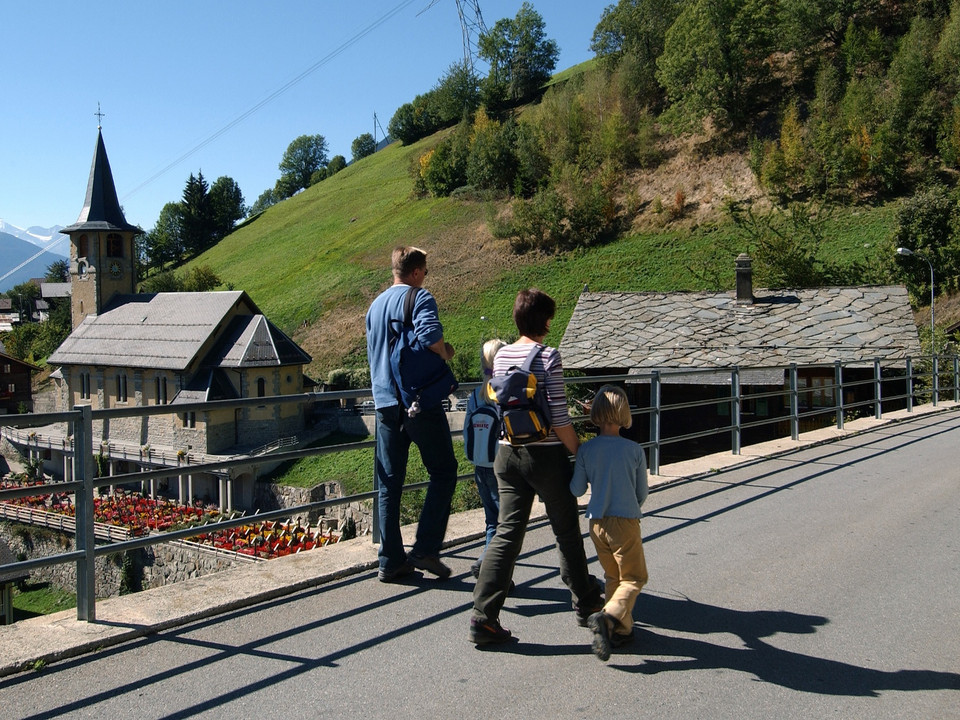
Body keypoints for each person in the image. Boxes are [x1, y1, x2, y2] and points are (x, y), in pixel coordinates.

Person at [468, 288, 603, 645]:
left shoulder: (502, 356)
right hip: (545, 457)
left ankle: (483, 617)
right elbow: (559, 418)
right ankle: (586, 603)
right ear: (545, 321)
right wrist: (580, 452)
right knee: (565, 530)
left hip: (506, 454)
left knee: (507, 532)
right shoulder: (548, 356)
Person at [365, 246, 458, 582]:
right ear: (417, 272)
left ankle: (391, 560)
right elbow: (430, 335)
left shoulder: (375, 306)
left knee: (389, 483)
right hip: (417, 401)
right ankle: (425, 549)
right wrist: (445, 352)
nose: (425, 278)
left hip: (384, 404)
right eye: (425, 272)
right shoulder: (419, 297)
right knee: (444, 471)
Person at [570, 384, 649, 661]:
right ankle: (608, 616)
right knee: (635, 577)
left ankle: (621, 630)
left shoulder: (587, 450)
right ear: (624, 413)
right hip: (624, 521)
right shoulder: (634, 450)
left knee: (613, 576)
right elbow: (641, 494)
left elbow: (577, 489)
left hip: (596, 524)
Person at [464, 338, 506, 578]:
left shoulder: (474, 396)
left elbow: (467, 431)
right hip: (500, 464)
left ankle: (490, 567)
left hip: (480, 463)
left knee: (492, 521)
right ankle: (489, 566)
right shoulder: (503, 393)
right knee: (505, 524)